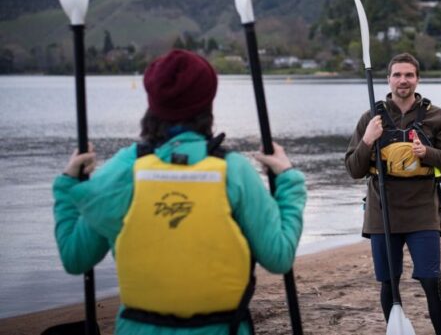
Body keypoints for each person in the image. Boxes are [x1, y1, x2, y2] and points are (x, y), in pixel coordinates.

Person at [53, 49, 306, 335]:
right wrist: (288, 180)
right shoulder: (235, 171)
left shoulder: (123, 170)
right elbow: (279, 257)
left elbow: (75, 258)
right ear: (208, 103)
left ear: (152, 102)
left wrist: (67, 185)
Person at [345, 53, 441, 335]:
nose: (403, 80)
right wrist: (367, 140)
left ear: (417, 79)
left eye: (409, 75)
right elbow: (353, 169)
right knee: (389, 283)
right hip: (381, 211)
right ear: (388, 80)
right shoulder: (371, 118)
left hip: (422, 210)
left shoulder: (436, 116)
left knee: (431, 281)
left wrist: (428, 153)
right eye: (397, 75)